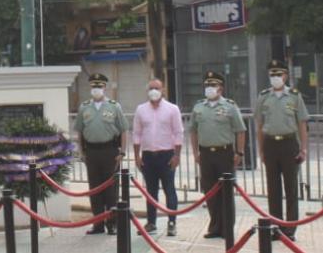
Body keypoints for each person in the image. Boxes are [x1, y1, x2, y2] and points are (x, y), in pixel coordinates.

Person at [254, 59, 309, 241]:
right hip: (271, 144)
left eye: (278, 74)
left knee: (291, 188)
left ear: (285, 76)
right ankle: (275, 227)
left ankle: (290, 229)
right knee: (273, 188)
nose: (275, 78)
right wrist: (261, 150)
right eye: (272, 75)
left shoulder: (294, 96)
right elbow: (260, 125)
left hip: (289, 143)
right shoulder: (263, 96)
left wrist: (303, 148)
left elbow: (301, 123)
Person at [189, 71, 246, 241]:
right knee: (210, 193)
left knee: (226, 192)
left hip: (224, 153)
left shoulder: (230, 106)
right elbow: (193, 131)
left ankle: (227, 228)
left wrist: (239, 152)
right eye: (207, 85)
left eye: (213, 85)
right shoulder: (199, 107)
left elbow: (240, 130)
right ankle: (214, 226)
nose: (209, 88)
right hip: (206, 154)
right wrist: (195, 152)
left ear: (221, 88)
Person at [72, 73, 128, 235]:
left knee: (111, 190)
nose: (96, 89)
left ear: (105, 87)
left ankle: (112, 223)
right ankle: (98, 224)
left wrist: (122, 152)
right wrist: (81, 152)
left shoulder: (114, 106)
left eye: (99, 86)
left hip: (110, 152)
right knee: (94, 189)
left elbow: (124, 130)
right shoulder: (84, 107)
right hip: (92, 153)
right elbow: (80, 132)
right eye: (94, 86)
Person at [131, 78, 184, 237]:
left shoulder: (172, 109)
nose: (154, 91)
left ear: (163, 90)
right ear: (147, 91)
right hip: (148, 156)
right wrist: (137, 156)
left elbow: (178, 132)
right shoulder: (141, 109)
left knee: (170, 190)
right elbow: (136, 133)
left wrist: (177, 155)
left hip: (166, 155)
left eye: (157, 88)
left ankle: (172, 223)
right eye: (151, 88)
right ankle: (151, 222)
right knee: (150, 191)